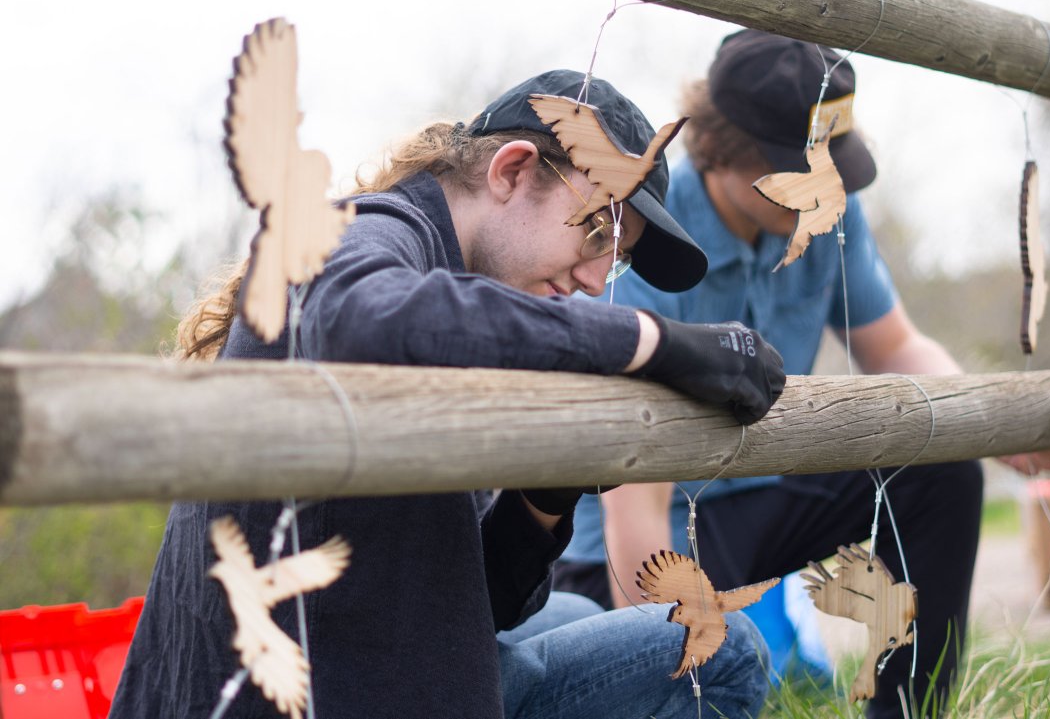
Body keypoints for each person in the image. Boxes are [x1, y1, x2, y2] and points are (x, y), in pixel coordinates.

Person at [110, 69, 782, 719]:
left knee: (573, 611)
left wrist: (543, 496)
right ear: (512, 170)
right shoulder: (359, 236)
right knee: (727, 650)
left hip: (366, 660)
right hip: (287, 693)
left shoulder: (469, 299)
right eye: (598, 229)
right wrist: (652, 339)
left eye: (620, 257)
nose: (597, 277)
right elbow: (368, 316)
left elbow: (472, 600)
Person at [556, 32, 1050, 719]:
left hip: (762, 490)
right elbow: (634, 503)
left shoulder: (827, 219)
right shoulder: (650, 237)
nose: (826, 192)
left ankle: (910, 711)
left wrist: (987, 418)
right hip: (646, 530)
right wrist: (670, 673)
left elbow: (897, 347)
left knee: (945, 471)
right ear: (727, 150)